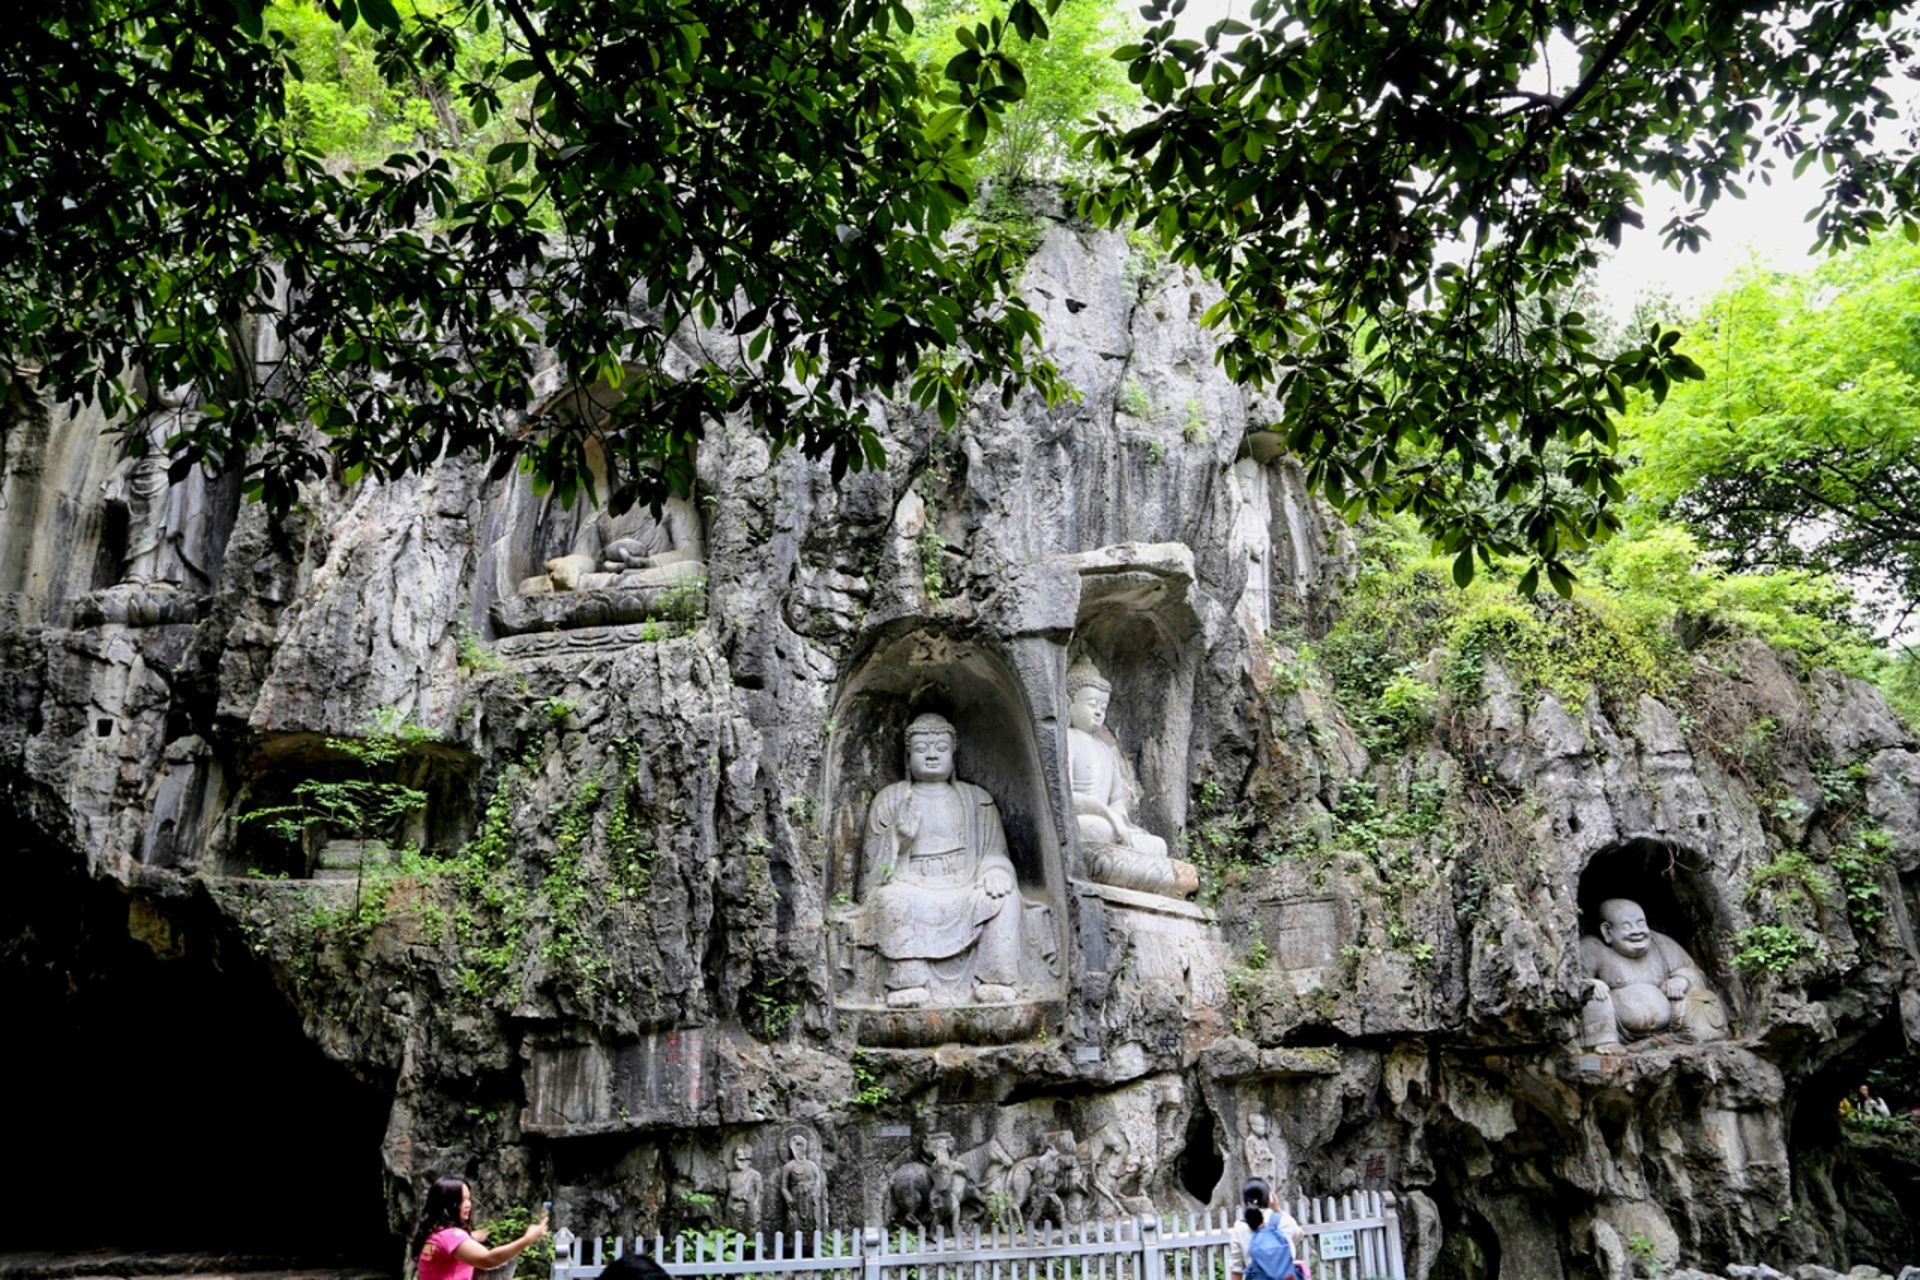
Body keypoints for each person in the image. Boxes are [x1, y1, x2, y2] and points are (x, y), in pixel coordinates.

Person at [411, 1177, 549, 1280]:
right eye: (461, 1200)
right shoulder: (452, 1236)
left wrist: (479, 1235)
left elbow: (453, 1245)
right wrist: (527, 1240)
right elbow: (488, 1260)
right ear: (447, 1205)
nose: (468, 1205)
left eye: (468, 1199)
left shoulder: (434, 1233)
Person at [1229, 1178, 1302, 1280]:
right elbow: (1298, 1235)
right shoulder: (1283, 1220)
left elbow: (1236, 1270)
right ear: (1269, 1197)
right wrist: (1278, 1209)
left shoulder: (1239, 1228)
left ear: (1245, 1200)